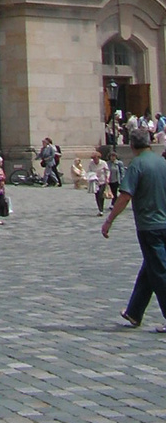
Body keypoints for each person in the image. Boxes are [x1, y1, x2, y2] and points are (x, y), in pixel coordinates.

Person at [102, 128, 166, 330]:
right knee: (150, 268)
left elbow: (125, 196)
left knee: (160, 272)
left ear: (131, 145)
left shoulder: (137, 165)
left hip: (149, 227)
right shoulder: (162, 162)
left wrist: (109, 220)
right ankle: (134, 312)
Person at [90, 149, 111, 216]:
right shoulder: (91, 163)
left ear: (99, 158)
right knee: (97, 195)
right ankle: (100, 209)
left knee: (101, 195)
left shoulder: (103, 163)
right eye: (93, 158)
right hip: (95, 181)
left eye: (95, 158)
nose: (94, 160)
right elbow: (90, 171)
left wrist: (107, 178)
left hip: (102, 180)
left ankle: (101, 209)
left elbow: (107, 171)